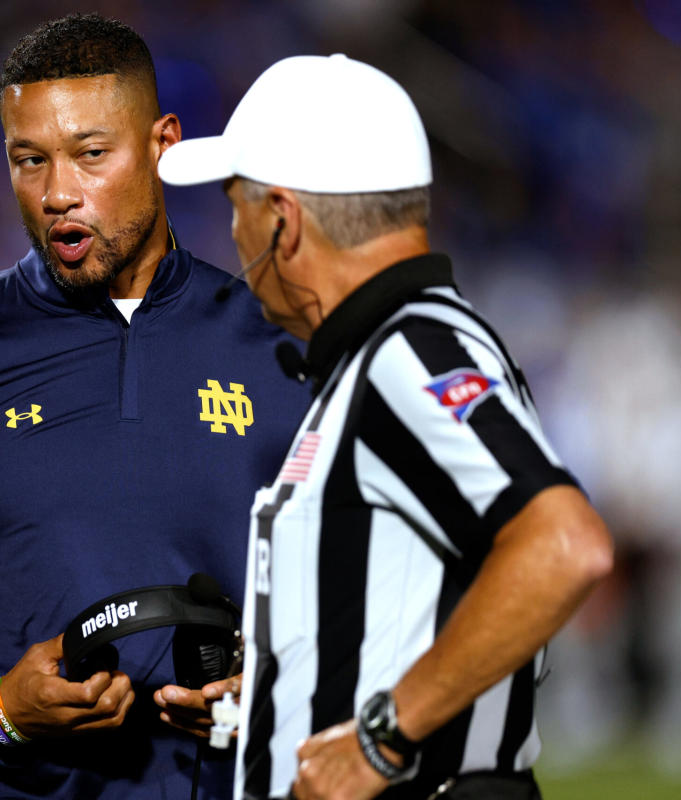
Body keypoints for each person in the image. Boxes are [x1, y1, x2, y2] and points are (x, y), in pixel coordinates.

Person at [0, 13, 310, 800]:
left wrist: (274, 686)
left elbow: (369, 595)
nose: (58, 193)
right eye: (28, 160)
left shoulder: (283, 351)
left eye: (91, 154)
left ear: (163, 143)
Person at [158, 54, 614, 800]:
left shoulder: (410, 354)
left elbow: (565, 545)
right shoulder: (387, 352)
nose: (231, 234)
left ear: (283, 219)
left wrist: (381, 738)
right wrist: (279, 696)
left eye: (235, 203)